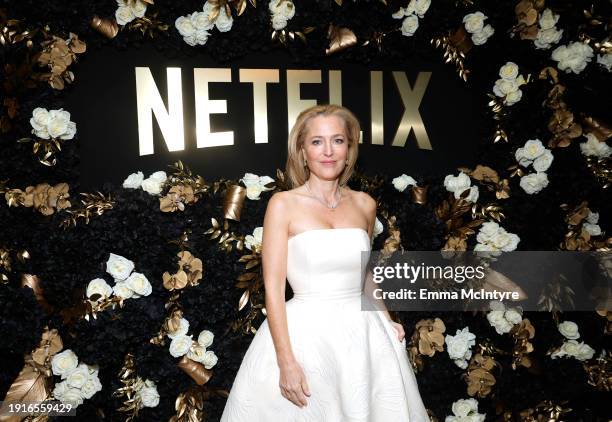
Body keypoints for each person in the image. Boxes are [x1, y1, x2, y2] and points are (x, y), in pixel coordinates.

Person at [220, 104, 430, 421]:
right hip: (306, 338)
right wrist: (285, 360)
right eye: (317, 142)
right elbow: (274, 289)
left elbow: (363, 274)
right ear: (303, 151)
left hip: (363, 339)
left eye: (338, 141)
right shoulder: (283, 205)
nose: (328, 151)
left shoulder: (365, 204)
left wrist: (387, 319)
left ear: (349, 149)